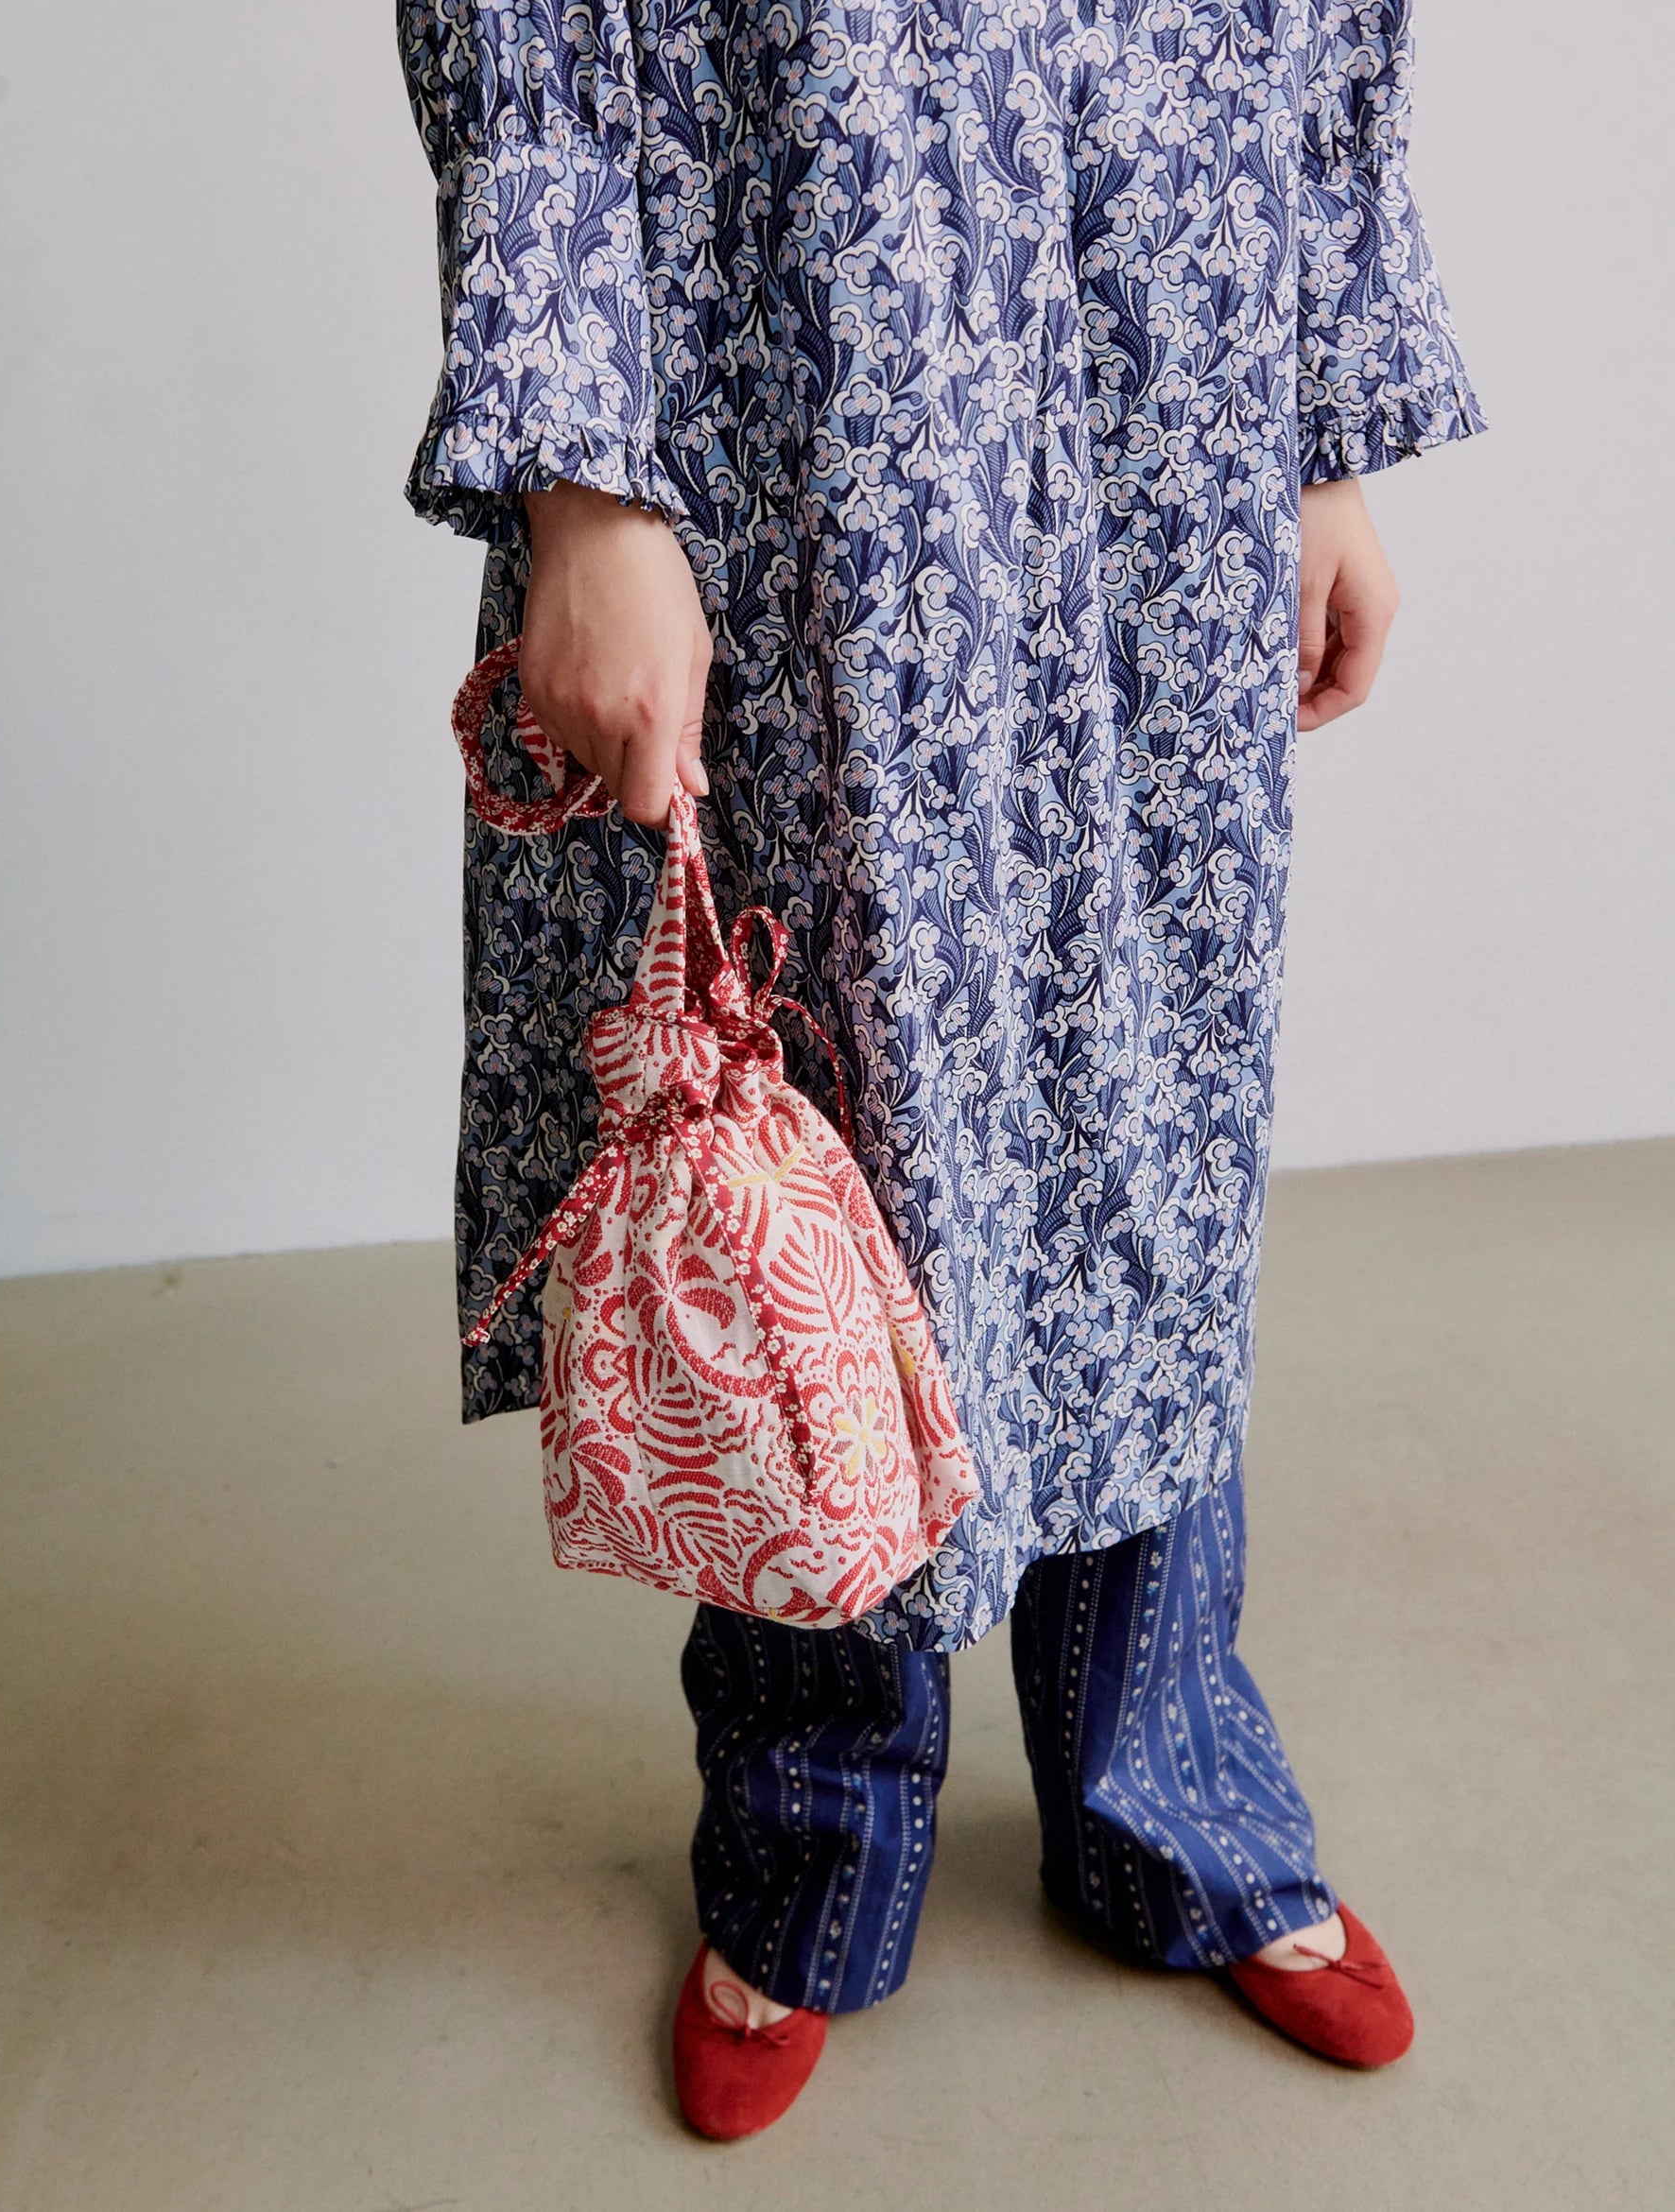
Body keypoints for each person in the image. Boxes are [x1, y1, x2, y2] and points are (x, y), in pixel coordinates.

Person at [398, 0, 1483, 2139]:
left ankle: (1171, 1794)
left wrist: (1321, 425)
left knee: (1143, 1121)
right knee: (810, 1133)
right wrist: (585, 478)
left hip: (1172, 354)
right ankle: (809, 1839)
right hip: (789, 355)